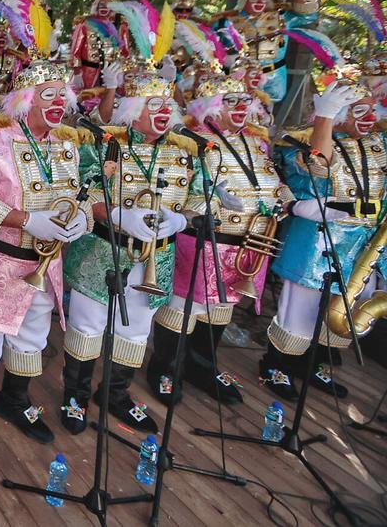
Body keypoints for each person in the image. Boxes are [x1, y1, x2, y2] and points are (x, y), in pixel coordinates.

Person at [0, 0, 90, 447]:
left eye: (62, 96)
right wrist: (26, 220)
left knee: (31, 338)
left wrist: (78, 222)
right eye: (47, 96)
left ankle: (14, 399)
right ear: (26, 99)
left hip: (46, 266)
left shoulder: (66, 145)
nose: (57, 104)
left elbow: (76, 196)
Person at [144, 65, 294, 406]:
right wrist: (206, 201)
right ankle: (164, 368)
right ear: (212, 105)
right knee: (184, 309)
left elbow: (270, 180)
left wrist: (284, 198)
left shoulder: (257, 141)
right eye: (232, 101)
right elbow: (177, 192)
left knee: (222, 311)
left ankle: (203, 366)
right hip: (204, 239)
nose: (242, 107)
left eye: (245, 100)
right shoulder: (191, 138)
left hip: (250, 242)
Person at [60, 59, 194, 436]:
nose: (165, 113)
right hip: (103, 253)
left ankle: (115, 394)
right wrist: (117, 215)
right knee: (87, 328)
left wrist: (183, 219)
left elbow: (202, 198)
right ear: (134, 112)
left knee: (135, 332)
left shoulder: (184, 150)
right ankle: (75, 396)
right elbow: (79, 195)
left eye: (168, 107)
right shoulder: (103, 144)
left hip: (158, 258)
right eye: (155, 106)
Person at [262, 67, 384, 401]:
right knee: (299, 312)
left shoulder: (378, 143)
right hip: (317, 242)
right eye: (359, 110)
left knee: (340, 311)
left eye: (372, 109)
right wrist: (324, 118)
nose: (369, 117)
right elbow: (320, 163)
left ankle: (314, 364)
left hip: (361, 244)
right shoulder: (307, 141)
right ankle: (277, 365)